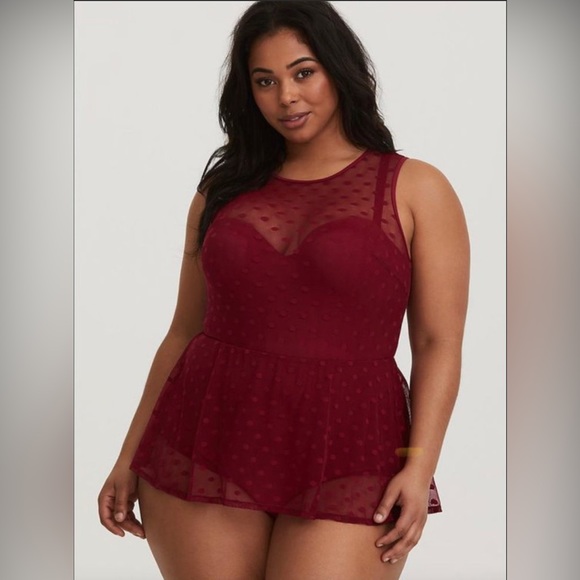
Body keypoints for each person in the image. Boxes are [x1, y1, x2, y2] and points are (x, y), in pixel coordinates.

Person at [97, 1, 470, 578]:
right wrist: (129, 455)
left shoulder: (416, 188)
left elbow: (437, 343)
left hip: (350, 450)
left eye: (303, 73)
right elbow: (183, 331)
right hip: (206, 438)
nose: (286, 97)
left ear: (339, 70)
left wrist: (418, 467)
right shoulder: (222, 190)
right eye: (265, 81)